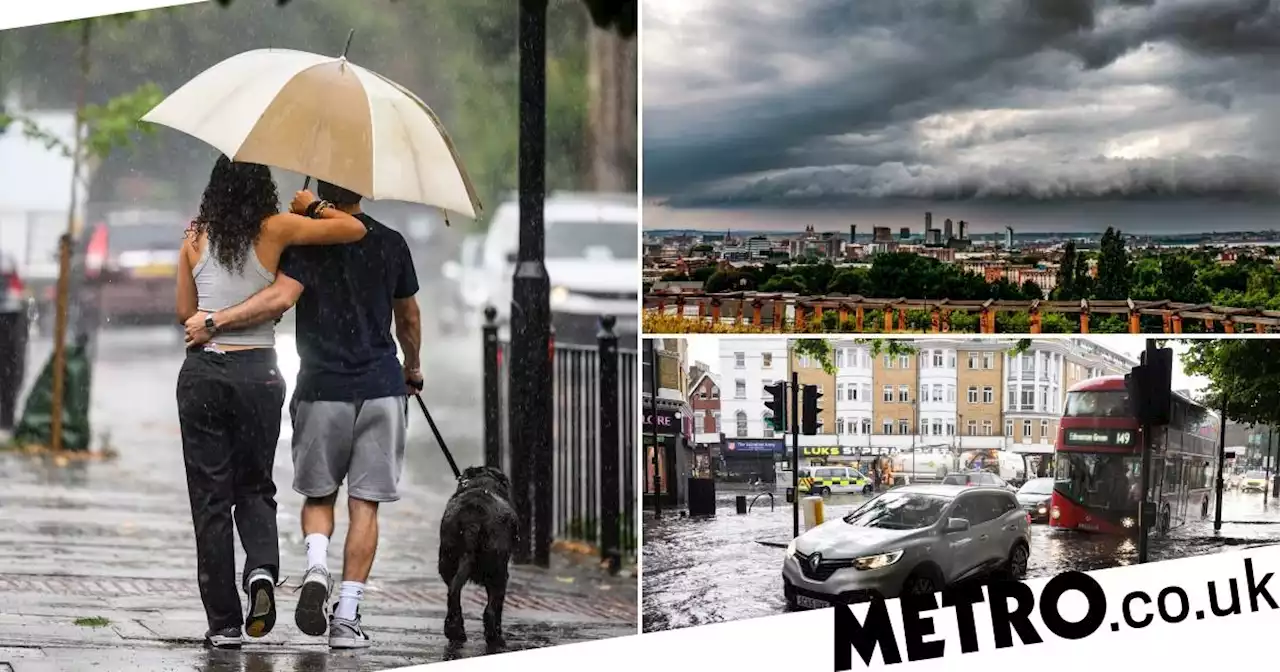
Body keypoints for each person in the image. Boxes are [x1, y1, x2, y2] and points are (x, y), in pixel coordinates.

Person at [184, 179, 422, 650]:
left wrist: (217, 319)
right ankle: (348, 616)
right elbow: (409, 317)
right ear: (364, 191)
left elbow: (280, 297)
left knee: (318, 496)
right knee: (364, 504)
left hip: (322, 388)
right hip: (380, 386)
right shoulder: (391, 243)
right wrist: (411, 367)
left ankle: (314, 567)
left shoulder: (304, 241)